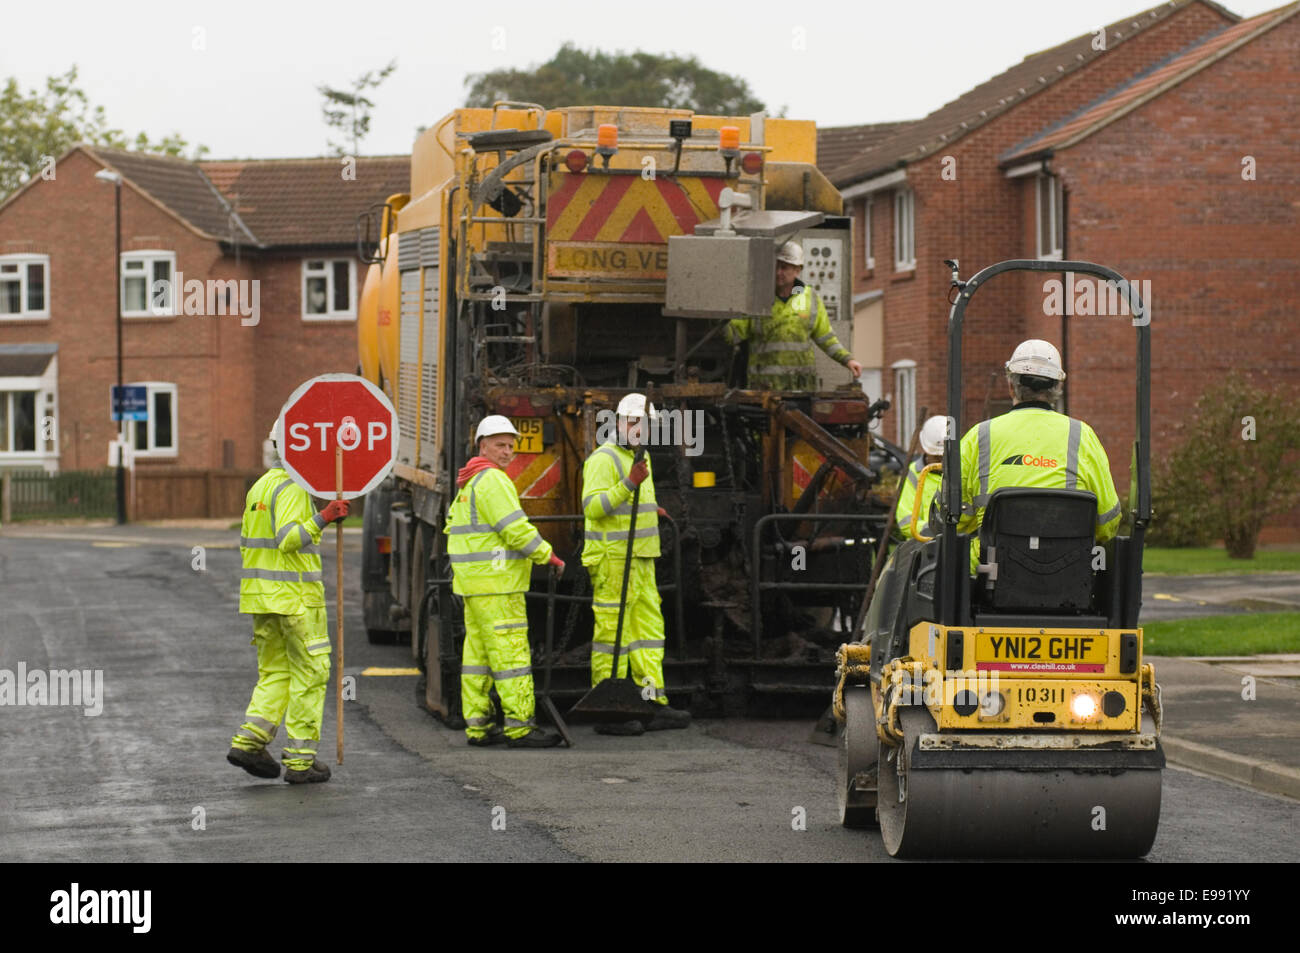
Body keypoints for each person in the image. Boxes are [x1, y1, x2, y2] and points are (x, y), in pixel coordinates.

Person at [227, 420, 348, 784]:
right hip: (295, 601)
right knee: (311, 673)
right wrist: (324, 517)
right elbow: (290, 539)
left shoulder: (261, 486)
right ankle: (300, 761)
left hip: (261, 599)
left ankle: (250, 742)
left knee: (276, 672)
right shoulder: (295, 486)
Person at [446, 415, 564, 748]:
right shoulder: (493, 481)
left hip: (474, 586)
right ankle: (520, 726)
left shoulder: (468, 485)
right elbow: (514, 528)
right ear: (482, 445)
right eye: (500, 445)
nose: (507, 452)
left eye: (511, 446)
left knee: (478, 657)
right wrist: (547, 555)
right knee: (511, 655)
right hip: (498, 587)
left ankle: (478, 725)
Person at [957, 339, 1122, 573]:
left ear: (1011, 386)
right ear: (1057, 388)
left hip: (991, 567)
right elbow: (1108, 521)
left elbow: (956, 516)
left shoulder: (979, 436)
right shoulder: (1083, 436)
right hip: (1069, 569)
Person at [581, 394, 691, 736]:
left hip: (641, 558)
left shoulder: (640, 460)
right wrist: (629, 483)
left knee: (647, 634)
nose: (638, 430)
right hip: (614, 561)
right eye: (632, 423)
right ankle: (609, 710)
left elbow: (637, 502)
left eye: (643, 424)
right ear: (617, 423)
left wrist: (650, 507)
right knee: (612, 637)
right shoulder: (604, 459)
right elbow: (593, 507)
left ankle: (650, 702)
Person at [724, 240, 864, 391]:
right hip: (763, 390)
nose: (778, 272)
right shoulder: (758, 299)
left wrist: (847, 360)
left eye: (784, 267)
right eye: (776, 266)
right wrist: (720, 318)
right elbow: (734, 334)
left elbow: (826, 338)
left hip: (801, 389)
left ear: (798, 270)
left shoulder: (809, 298)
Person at [894, 414, 947, 541]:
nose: (940, 461)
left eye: (944, 456)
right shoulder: (911, 475)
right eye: (936, 456)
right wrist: (938, 531)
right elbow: (906, 521)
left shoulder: (964, 472)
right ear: (925, 449)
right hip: (922, 546)